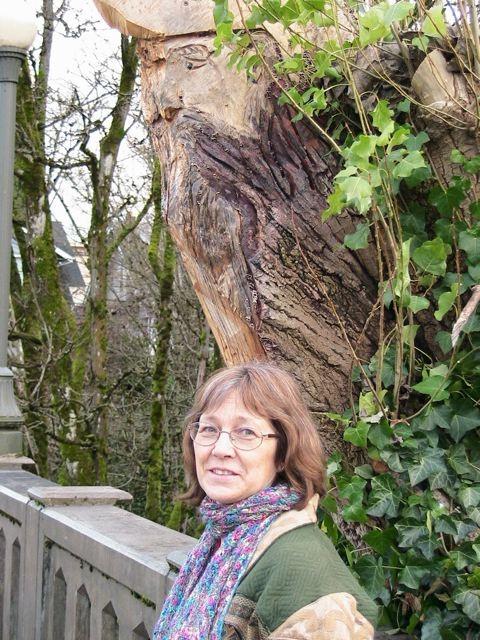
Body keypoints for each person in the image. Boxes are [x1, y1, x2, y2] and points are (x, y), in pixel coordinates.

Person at [153, 362, 378, 640]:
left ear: (283, 452)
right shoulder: (224, 537)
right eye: (209, 429)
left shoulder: (301, 568)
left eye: (246, 432)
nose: (220, 449)